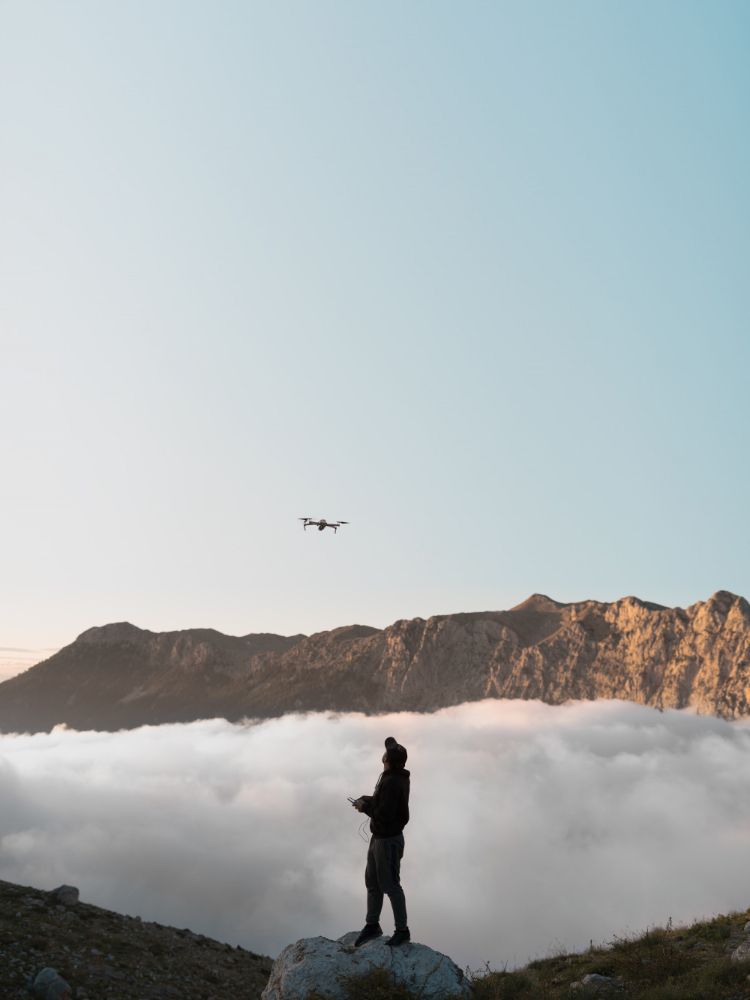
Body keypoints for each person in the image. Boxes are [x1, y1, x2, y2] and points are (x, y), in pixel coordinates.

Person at [351, 736, 411, 948]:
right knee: (373, 883)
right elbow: (388, 805)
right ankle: (372, 925)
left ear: (387, 759)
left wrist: (364, 807)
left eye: (386, 752)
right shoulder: (394, 777)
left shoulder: (392, 781)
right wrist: (371, 799)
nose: (383, 754)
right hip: (379, 839)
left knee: (390, 886)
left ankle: (402, 931)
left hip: (387, 842)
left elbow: (384, 815)